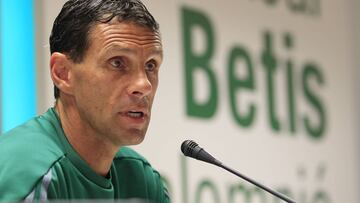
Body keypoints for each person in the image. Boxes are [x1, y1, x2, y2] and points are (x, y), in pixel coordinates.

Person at [0, 0, 170, 202]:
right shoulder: (28, 172)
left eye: (151, 65)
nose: (144, 86)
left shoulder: (140, 178)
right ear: (63, 73)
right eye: (117, 62)